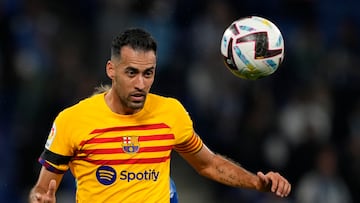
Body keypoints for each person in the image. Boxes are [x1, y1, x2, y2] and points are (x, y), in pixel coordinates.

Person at [29, 28, 291, 203]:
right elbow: (41, 191)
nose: (141, 84)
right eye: (131, 73)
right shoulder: (72, 120)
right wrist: (41, 199)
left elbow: (208, 164)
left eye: (148, 73)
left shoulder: (171, 112)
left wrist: (257, 183)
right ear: (111, 69)